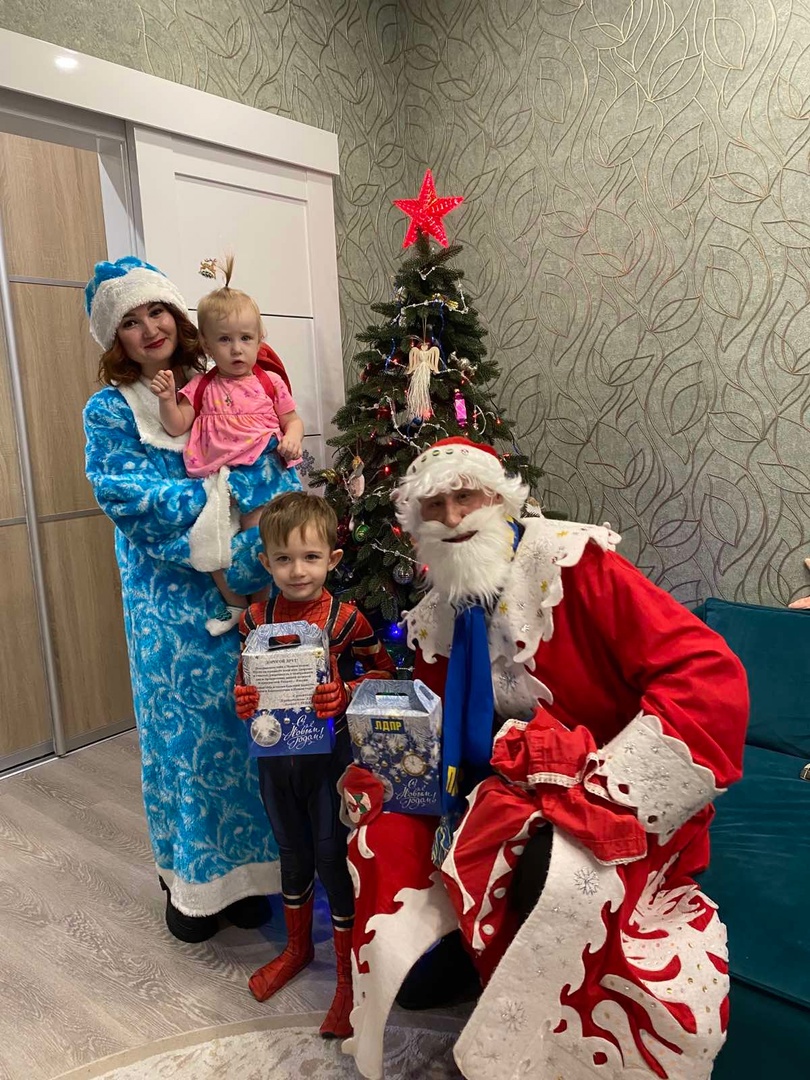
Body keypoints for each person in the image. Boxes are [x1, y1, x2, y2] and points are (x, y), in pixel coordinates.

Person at [338, 436, 749, 1080]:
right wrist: (385, 759)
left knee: (550, 867)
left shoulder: (573, 566)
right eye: (434, 506)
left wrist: (607, 786)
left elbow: (708, 673)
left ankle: (532, 1044)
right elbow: (438, 729)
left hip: (604, 785)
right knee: (383, 824)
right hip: (497, 788)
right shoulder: (435, 615)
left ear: (499, 499)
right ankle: (456, 951)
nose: (453, 518)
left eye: (466, 496)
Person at [83, 256, 284, 943]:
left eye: (158, 312)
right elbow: (127, 495)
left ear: (177, 315)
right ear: (116, 338)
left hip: (240, 585)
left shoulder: (215, 382)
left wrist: (259, 530)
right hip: (163, 601)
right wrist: (218, 502)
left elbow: (261, 458)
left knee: (242, 727)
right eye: (131, 322)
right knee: (182, 740)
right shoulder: (109, 409)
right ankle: (193, 885)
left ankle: (252, 876)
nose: (149, 329)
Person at [233, 491, 396, 1038]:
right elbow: (244, 679)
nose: (297, 570)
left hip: (329, 762)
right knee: (292, 853)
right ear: (265, 562)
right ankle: (297, 949)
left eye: (310, 557)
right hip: (275, 763)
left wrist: (345, 691)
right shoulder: (255, 620)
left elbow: (384, 671)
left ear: (333, 558)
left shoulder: (346, 619)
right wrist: (242, 698)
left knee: (331, 857)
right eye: (283, 558)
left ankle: (348, 980)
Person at [150, 256, 303, 636]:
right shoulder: (202, 385)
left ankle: (262, 608)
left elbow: (292, 420)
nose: (237, 350)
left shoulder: (269, 382)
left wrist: (292, 438)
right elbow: (176, 425)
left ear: (259, 339)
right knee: (210, 542)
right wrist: (167, 400)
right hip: (218, 479)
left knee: (260, 539)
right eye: (224, 339)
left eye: (245, 339)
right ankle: (235, 603)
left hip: (261, 470)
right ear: (206, 343)